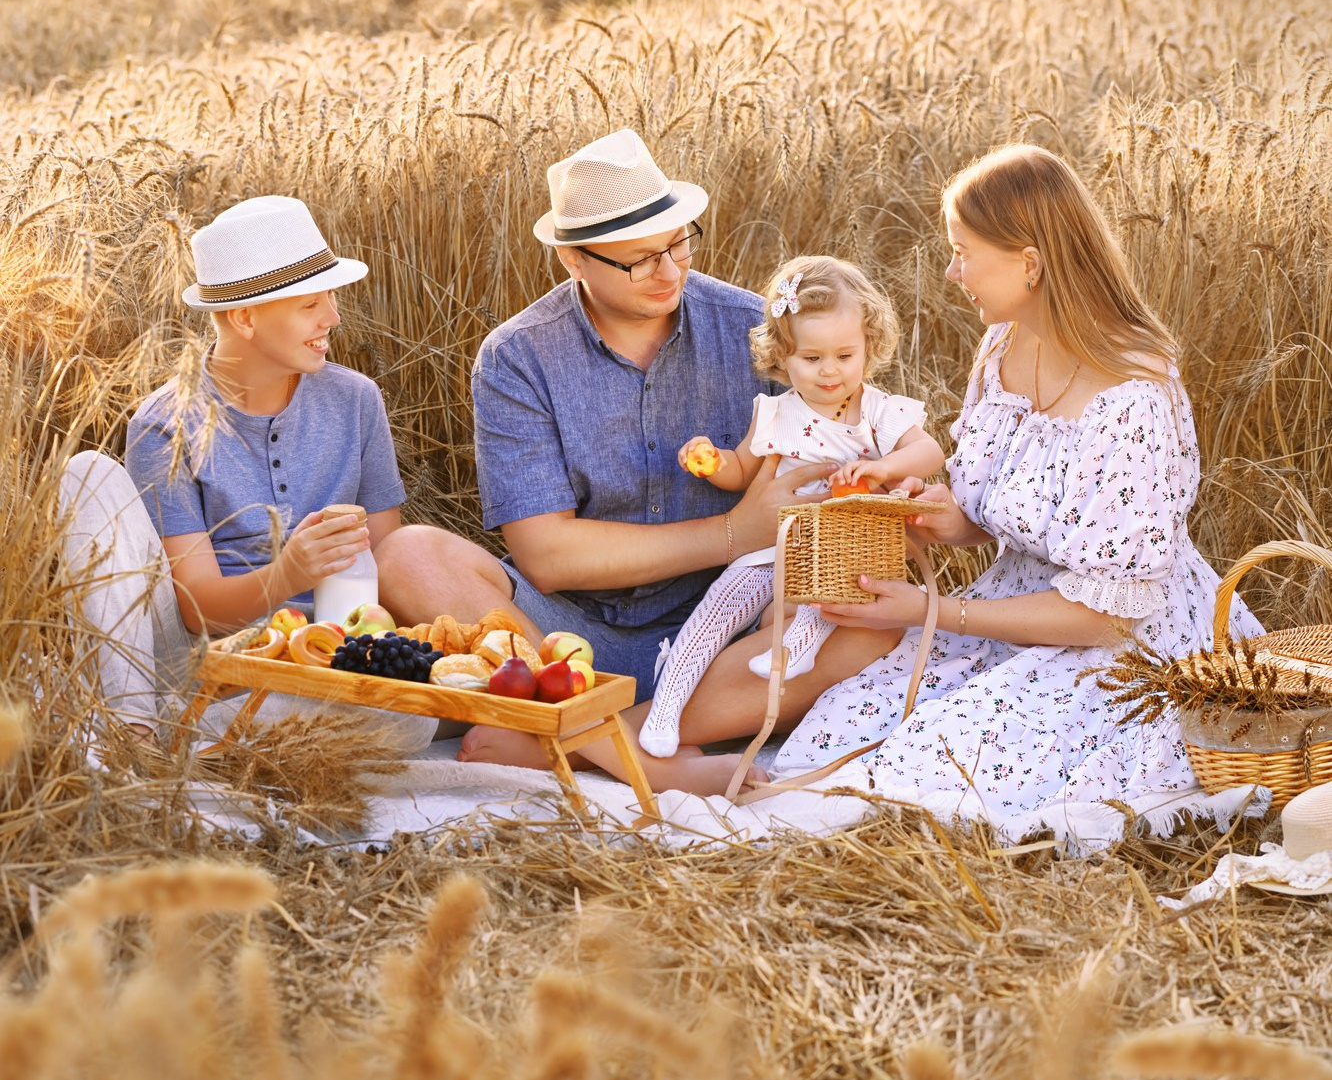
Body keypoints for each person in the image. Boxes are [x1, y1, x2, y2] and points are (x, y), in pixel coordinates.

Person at [770, 144, 1263, 836]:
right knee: (844, 726)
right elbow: (993, 510)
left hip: (1123, 646)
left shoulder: (1135, 399)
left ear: (1029, 262)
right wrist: (941, 516)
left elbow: (1107, 617)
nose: (951, 271)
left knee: (925, 776)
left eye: (963, 252)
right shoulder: (1003, 344)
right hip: (1012, 609)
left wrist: (928, 612)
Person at [59, 195, 528, 746]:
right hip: (199, 655)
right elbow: (194, 609)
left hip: (320, 663)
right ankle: (137, 727)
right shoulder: (167, 422)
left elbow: (388, 559)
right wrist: (287, 575)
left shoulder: (356, 400)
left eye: (330, 296)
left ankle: (197, 734)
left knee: (403, 717)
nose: (333, 316)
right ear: (244, 316)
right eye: (311, 304)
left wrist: (393, 651)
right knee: (86, 472)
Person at [468, 129, 832, 703]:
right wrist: (734, 532)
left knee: (855, 625)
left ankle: (581, 726)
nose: (669, 273)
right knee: (413, 557)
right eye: (640, 260)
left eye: (678, 244)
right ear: (572, 259)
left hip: (729, 628)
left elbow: (838, 447)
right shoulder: (517, 356)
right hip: (562, 635)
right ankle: (629, 726)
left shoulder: (756, 329)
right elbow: (546, 558)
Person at [637, 255, 945, 758]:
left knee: (832, 586)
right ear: (783, 357)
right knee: (720, 603)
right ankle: (669, 698)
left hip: (844, 552)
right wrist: (712, 462)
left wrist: (881, 470)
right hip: (774, 544)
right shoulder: (776, 411)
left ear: (869, 348)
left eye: (845, 356)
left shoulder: (877, 411)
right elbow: (744, 469)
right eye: (812, 358)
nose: (830, 372)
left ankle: (798, 644)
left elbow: (928, 451)